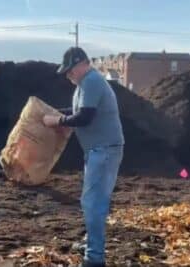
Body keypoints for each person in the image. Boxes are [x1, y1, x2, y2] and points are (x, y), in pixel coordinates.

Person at [43, 47, 124, 267]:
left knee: (93, 203)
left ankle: (94, 258)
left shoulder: (92, 81)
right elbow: (77, 110)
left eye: (70, 70)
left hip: (104, 150)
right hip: (97, 150)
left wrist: (57, 121)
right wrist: (55, 113)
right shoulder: (83, 85)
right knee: (93, 201)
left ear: (82, 64)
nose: (68, 75)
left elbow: (85, 116)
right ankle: (92, 243)